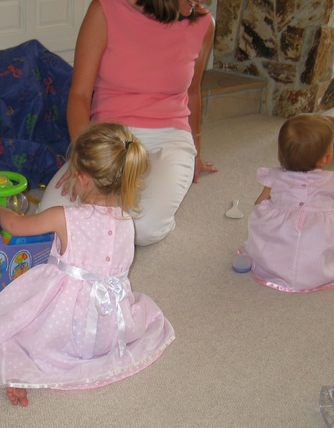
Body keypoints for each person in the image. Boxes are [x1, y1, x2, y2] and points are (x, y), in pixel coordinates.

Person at [0, 123, 175, 406]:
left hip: (66, 327)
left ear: (81, 177)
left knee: (14, 328)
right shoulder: (128, 223)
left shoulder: (62, 216)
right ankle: (33, 372)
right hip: (110, 329)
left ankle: (23, 373)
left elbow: (16, 226)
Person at [37, 0, 217, 246]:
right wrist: (83, 157)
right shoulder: (106, 9)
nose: (197, 4)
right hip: (108, 138)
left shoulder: (204, 23)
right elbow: (79, 94)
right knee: (50, 219)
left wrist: (196, 151)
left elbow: (193, 92)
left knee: (142, 229)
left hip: (169, 138)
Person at [239, 113, 334, 293]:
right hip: (318, 238)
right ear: (326, 159)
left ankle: (274, 259)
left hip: (281, 233)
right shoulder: (330, 181)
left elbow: (259, 202)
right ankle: (313, 269)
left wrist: (262, 214)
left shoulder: (275, 176)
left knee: (262, 217)